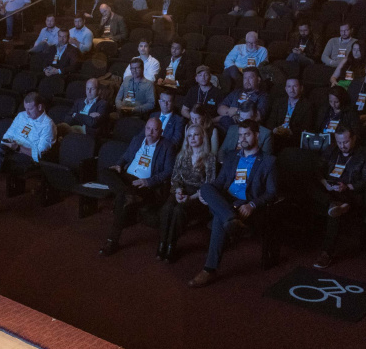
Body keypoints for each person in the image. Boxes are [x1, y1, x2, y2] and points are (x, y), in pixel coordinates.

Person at [190, 120, 277, 288]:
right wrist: (206, 195)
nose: (243, 138)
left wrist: (252, 205)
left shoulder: (268, 161)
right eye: (240, 135)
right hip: (226, 200)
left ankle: (209, 269)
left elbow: (272, 193)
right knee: (206, 187)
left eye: (247, 134)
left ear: (257, 135)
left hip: (243, 202)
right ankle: (230, 220)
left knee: (218, 218)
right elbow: (219, 182)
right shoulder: (232, 156)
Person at [0, 92, 56, 222]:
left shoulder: (48, 125)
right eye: (25, 108)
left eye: (30, 109)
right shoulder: (21, 116)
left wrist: (18, 147)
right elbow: (7, 135)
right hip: (11, 150)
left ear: (40, 107)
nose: (27, 112)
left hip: (26, 158)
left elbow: (39, 155)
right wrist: (9, 144)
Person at [99, 118, 175, 256]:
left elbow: (168, 171)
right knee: (105, 171)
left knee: (122, 197)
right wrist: (119, 164)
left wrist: (148, 181)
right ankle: (128, 193)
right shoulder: (137, 139)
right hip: (128, 180)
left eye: (155, 129)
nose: (150, 132)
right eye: (148, 128)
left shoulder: (167, 146)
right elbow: (126, 156)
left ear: (161, 131)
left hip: (145, 185)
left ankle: (112, 240)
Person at [309, 126, 366, 269]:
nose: (342, 146)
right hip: (331, 190)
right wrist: (325, 183)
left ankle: (326, 253)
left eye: (346, 142)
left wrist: (348, 186)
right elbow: (317, 169)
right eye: (339, 142)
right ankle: (333, 204)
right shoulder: (332, 150)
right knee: (308, 185)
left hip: (349, 192)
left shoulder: (364, 154)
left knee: (334, 215)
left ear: (354, 138)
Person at [157, 124, 216, 262]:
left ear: (203, 136)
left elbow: (210, 184)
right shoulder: (182, 155)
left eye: (196, 135)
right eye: (189, 136)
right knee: (167, 208)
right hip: (181, 190)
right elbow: (175, 178)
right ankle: (162, 243)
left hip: (198, 195)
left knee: (178, 210)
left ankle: (171, 245)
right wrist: (178, 191)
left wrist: (191, 197)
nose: (192, 138)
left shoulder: (210, 158)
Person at [217, 67, 270, 131]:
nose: (247, 81)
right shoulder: (236, 92)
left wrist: (237, 112)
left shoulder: (263, 96)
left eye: (250, 78)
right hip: (226, 125)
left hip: (245, 129)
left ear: (258, 80)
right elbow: (220, 108)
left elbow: (258, 116)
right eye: (245, 78)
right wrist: (230, 113)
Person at [268, 78, 314, 147]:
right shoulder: (278, 102)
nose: (292, 90)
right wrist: (275, 129)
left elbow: (307, 127)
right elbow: (270, 120)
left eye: (295, 86)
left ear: (301, 88)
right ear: (286, 89)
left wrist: (290, 131)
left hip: (294, 140)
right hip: (276, 137)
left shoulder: (307, 105)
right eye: (289, 86)